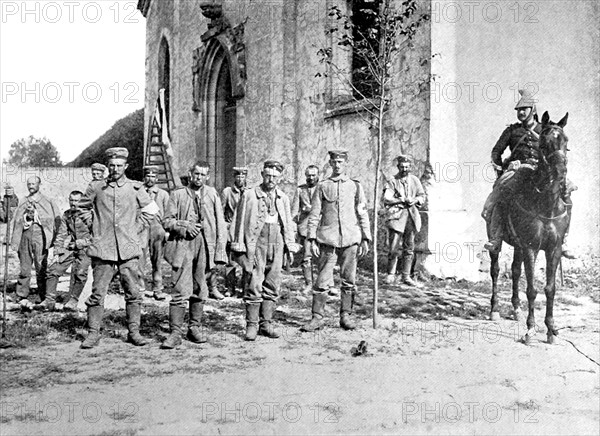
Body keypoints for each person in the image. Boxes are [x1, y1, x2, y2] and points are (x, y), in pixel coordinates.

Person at [80, 147, 158, 349]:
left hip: (128, 249)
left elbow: (151, 210)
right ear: (108, 166)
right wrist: (94, 227)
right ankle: (93, 333)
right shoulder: (97, 187)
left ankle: (134, 332)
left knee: (133, 293)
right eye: (112, 166)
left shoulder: (135, 188)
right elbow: (81, 207)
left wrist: (136, 227)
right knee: (97, 293)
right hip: (103, 248)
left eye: (119, 166)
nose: (115, 169)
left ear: (126, 166)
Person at [483, 89, 576, 258]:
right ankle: (496, 237)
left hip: (544, 170)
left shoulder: (544, 129)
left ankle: (564, 240)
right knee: (501, 193)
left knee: (567, 192)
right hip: (520, 170)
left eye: (524, 109)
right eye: (518, 110)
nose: (521, 112)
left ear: (532, 110)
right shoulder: (512, 131)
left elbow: (555, 146)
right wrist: (504, 168)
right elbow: (496, 152)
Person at [301, 150, 371, 332]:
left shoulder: (355, 186)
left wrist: (366, 238)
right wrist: (312, 239)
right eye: (334, 162)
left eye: (340, 162)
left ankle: (345, 316)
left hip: (350, 239)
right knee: (322, 281)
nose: (337, 165)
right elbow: (315, 215)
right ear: (330, 163)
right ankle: (317, 317)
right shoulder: (322, 186)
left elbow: (363, 213)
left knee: (349, 280)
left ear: (345, 163)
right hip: (328, 240)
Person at [229, 161, 299, 341]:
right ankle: (251, 325)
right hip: (256, 243)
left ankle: (266, 323)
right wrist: (239, 245)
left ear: (280, 178)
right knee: (254, 281)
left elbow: (288, 223)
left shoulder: (282, 198)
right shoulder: (249, 195)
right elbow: (239, 221)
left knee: (272, 282)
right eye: (268, 176)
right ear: (262, 174)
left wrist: (289, 245)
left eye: (275, 177)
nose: (271, 180)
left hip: (277, 242)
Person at [161, 161, 228, 349]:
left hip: (205, 245)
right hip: (183, 246)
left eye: (203, 175)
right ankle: (175, 333)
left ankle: (194, 328)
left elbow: (220, 222)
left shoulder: (212, 194)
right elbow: (166, 221)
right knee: (181, 288)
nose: (199, 177)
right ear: (190, 174)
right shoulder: (178, 194)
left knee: (200, 287)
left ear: (207, 177)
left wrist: (219, 252)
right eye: (196, 174)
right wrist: (184, 227)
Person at [10, 176, 61, 303]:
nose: (31, 186)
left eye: (33, 183)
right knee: (25, 265)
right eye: (29, 184)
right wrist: (27, 216)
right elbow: (16, 220)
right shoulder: (23, 201)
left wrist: (36, 215)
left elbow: (53, 220)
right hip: (25, 234)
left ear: (39, 184)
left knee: (41, 265)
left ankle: (44, 295)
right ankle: (22, 293)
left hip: (40, 235)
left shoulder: (48, 201)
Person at [39, 191, 92, 311]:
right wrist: (57, 251)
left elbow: (96, 236)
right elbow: (61, 234)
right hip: (72, 247)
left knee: (80, 273)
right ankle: (49, 300)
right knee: (53, 269)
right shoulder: (67, 215)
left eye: (76, 201)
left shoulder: (90, 215)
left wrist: (81, 243)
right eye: (71, 200)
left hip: (87, 248)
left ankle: (73, 300)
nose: (73, 203)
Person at [382, 155, 426, 287]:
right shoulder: (392, 181)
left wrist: (415, 200)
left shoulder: (415, 180)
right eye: (402, 167)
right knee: (394, 247)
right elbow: (386, 198)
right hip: (397, 215)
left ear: (410, 167)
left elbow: (422, 196)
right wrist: (401, 200)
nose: (404, 169)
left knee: (409, 247)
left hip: (411, 216)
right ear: (398, 167)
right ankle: (391, 274)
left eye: (407, 167)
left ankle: (406, 275)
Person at [139, 165, 170, 301]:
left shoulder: (163, 194)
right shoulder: (139, 192)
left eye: (153, 176)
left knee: (157, 260)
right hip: (142, 228)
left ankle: (157, 288)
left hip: (158, 229)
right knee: (140, 259)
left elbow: (168, 214)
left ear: (156, 178)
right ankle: (140, 288)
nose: (150, 179)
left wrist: (167, 231)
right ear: (144, 177)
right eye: (148, 176)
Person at [291, 165, 320, 294]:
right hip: (306, 228)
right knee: (307, 257)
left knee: (325, 257)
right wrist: (293, 228)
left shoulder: (323, 188)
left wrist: (314, 209)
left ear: (318, 175)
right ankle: (309, 283)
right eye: (309, 175)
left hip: (321, 227)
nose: (311, 177)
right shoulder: (300, 190)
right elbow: (294, 211)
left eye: (314, 175)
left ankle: (326, 284)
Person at [221, 166, 249, 297]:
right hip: (231, 229)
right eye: (238, 176)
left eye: (242, 176)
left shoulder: (250, 192)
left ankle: (245, 288)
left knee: (245, 260)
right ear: (234, 177)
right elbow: (221, 211)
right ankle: (230, 287)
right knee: (230, 261)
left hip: (245, 231)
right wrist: (225, 227)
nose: (240, 179)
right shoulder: (227, 192)